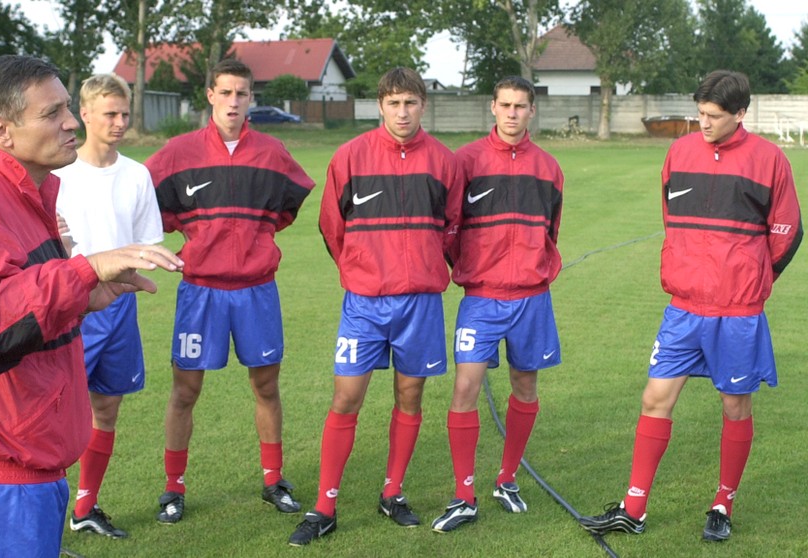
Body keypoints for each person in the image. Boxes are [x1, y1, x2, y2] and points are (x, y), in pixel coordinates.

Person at [0, 55, 183, 558]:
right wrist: (84, 270)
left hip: (23, 465)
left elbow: (20, 305)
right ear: (1, 130)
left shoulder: (20, 195)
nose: (72, 122)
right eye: (52, 113)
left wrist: (81, 298)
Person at [579, 70, 802, 542]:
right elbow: (671, 217)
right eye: (699, 114)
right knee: (654, 398)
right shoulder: (679, 153)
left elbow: (787, 233)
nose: (703, 123)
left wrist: (751, 277)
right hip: (684, 309)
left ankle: (723, 503)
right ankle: (633, 508)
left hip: (738, 313)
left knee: (734, 405)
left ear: (740, 114)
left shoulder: (769, 160)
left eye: (714, 117)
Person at [288, 67, 461, 546]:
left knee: (410, 397)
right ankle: (324, 507)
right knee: (346, 398)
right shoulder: (349, 157)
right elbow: (331, 227)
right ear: (379, 105)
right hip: (364, 303)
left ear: (422, 105)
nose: (402, 112)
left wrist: (423, 268)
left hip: (421, 304)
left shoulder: (444, 162)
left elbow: (452, 227)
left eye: (410, 103)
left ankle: (393, 493)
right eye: (393, 103)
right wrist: (362, 270)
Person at [145, 59, 314, 524]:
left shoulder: (273, 151)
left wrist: (254, 240)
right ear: (211, 95)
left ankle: (273, 479)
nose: (234, 101)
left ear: (250, 98)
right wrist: (197, 235)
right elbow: (147, 203)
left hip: (257, 290)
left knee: (266, 385)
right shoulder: (179, 152)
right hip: (201, 292)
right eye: (226, 92)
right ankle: (172, 489)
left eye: (243, 93)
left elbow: (287, 208)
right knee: (185, 390)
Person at [431, 75, 564, 533]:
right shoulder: (464, 161)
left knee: (525, 386)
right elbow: (450, 227)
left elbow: (551, 229)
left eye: (520, 106)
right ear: (492, 107)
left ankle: (507, 479)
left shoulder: (548, 167)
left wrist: (531, 267)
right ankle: (463, 494)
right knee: (465, 388)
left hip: (532, 299)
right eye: (505, 105)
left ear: (531, 111)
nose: (512, 113)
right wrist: (472, 266)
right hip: (482, 299)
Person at [54, 73, 164, 539]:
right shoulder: (58, 175)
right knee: (56, 415)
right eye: (110, 114)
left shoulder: (137, 174)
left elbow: (147, 242)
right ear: (85, 114)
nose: (119, 123)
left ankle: (86, 506)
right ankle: (48, 519)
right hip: (70, 307)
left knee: (107, 408)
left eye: (125, 114)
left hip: (119, 307)